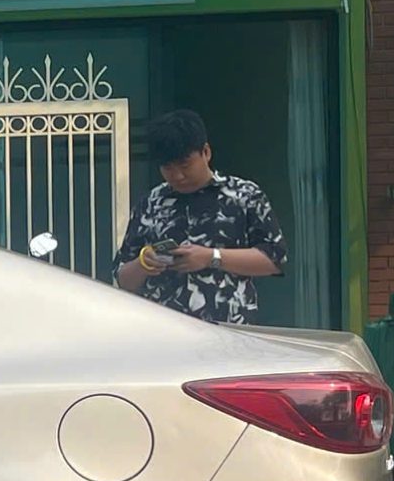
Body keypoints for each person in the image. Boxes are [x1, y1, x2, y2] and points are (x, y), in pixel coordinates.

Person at [113, 109, 287, 325]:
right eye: (168, 168)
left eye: (185, 164)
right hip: (162, 329)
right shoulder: (151, 202)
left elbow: (274, 259)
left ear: (206, 152)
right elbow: (122, 278)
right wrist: (143, 263)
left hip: (228, 328)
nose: (177, 175)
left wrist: (211, 257)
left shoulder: (244, 195)